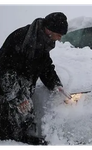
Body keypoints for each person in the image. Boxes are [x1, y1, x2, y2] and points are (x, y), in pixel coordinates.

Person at [0, 12, 69, 146]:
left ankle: (24, 140)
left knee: (25, 120)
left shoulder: (42, 41)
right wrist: (18, 98)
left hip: (24, 88)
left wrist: (55, 84)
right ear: (50, 30)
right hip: (7, 92)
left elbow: (45, 66)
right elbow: (4, 71)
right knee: (9, 125)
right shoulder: (21, 38)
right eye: (59, 35)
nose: (59, 39)